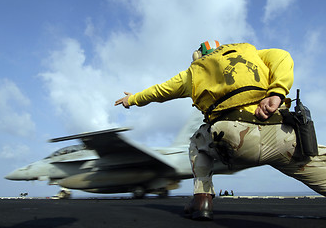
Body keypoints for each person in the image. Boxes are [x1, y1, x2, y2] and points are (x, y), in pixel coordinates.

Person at [115, 40, 326, 221]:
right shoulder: (250, 53)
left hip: (235, 139)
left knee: (197, 141)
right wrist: (278, 91)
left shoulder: (195, 71)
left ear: (198, 56)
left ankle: (202, 201)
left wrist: (131, 99)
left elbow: (160, 91)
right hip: (282, 137)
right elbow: (283, 56)